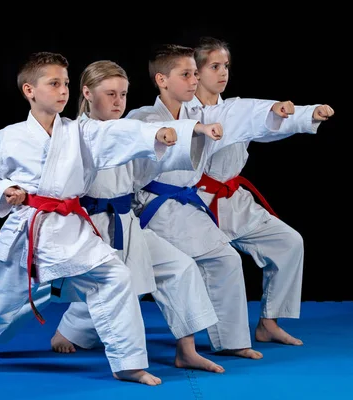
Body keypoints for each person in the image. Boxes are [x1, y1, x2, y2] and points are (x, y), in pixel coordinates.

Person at [0, 51, 220, 386]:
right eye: (53, 83)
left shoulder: (80, 131)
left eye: (65, 83)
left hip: (69, 229)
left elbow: (116, 134)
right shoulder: (10, 135)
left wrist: (155, 136)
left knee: (116, 277)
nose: (63, 90)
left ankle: (127, 362)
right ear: (29, 91)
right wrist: (7, 190)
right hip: (29, 229)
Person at [1, 60, 225, 373]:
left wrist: (190, 133)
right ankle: (60, 331)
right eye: (110, 94)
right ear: (88, 93)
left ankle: (186, 350)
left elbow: (146, 150)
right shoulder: (73, 134)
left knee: (180, 268)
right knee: (98, 288)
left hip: (127, 222)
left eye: (123, 94)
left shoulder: (130, 131)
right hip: (89, 227)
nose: (119, 101)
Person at [125, 44, 303, 360]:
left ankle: (235, 338)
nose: (195, 81)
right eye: (188, 74)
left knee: (139, 272)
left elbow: (247, 114)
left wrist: (297, 112)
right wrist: (195, 129)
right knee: (124, 274)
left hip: (192, 203)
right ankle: (74, 329)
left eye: (196, 73)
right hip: (156, 205)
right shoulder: (145, 115)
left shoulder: (208, 112)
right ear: (162, 80)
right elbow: (148, 132)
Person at [186, 36, 335, 346]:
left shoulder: (234, 110)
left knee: (289, 242)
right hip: (194, 204)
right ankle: (81, 328)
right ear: (196, 73)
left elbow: (259, 118)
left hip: (233, 200)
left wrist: (301, 114)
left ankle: (268, 322)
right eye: (215, 66)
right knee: (148, 270)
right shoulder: (185, 112)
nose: (223, 72)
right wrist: (274, 110)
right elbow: (252, 114)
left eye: (226, 65)